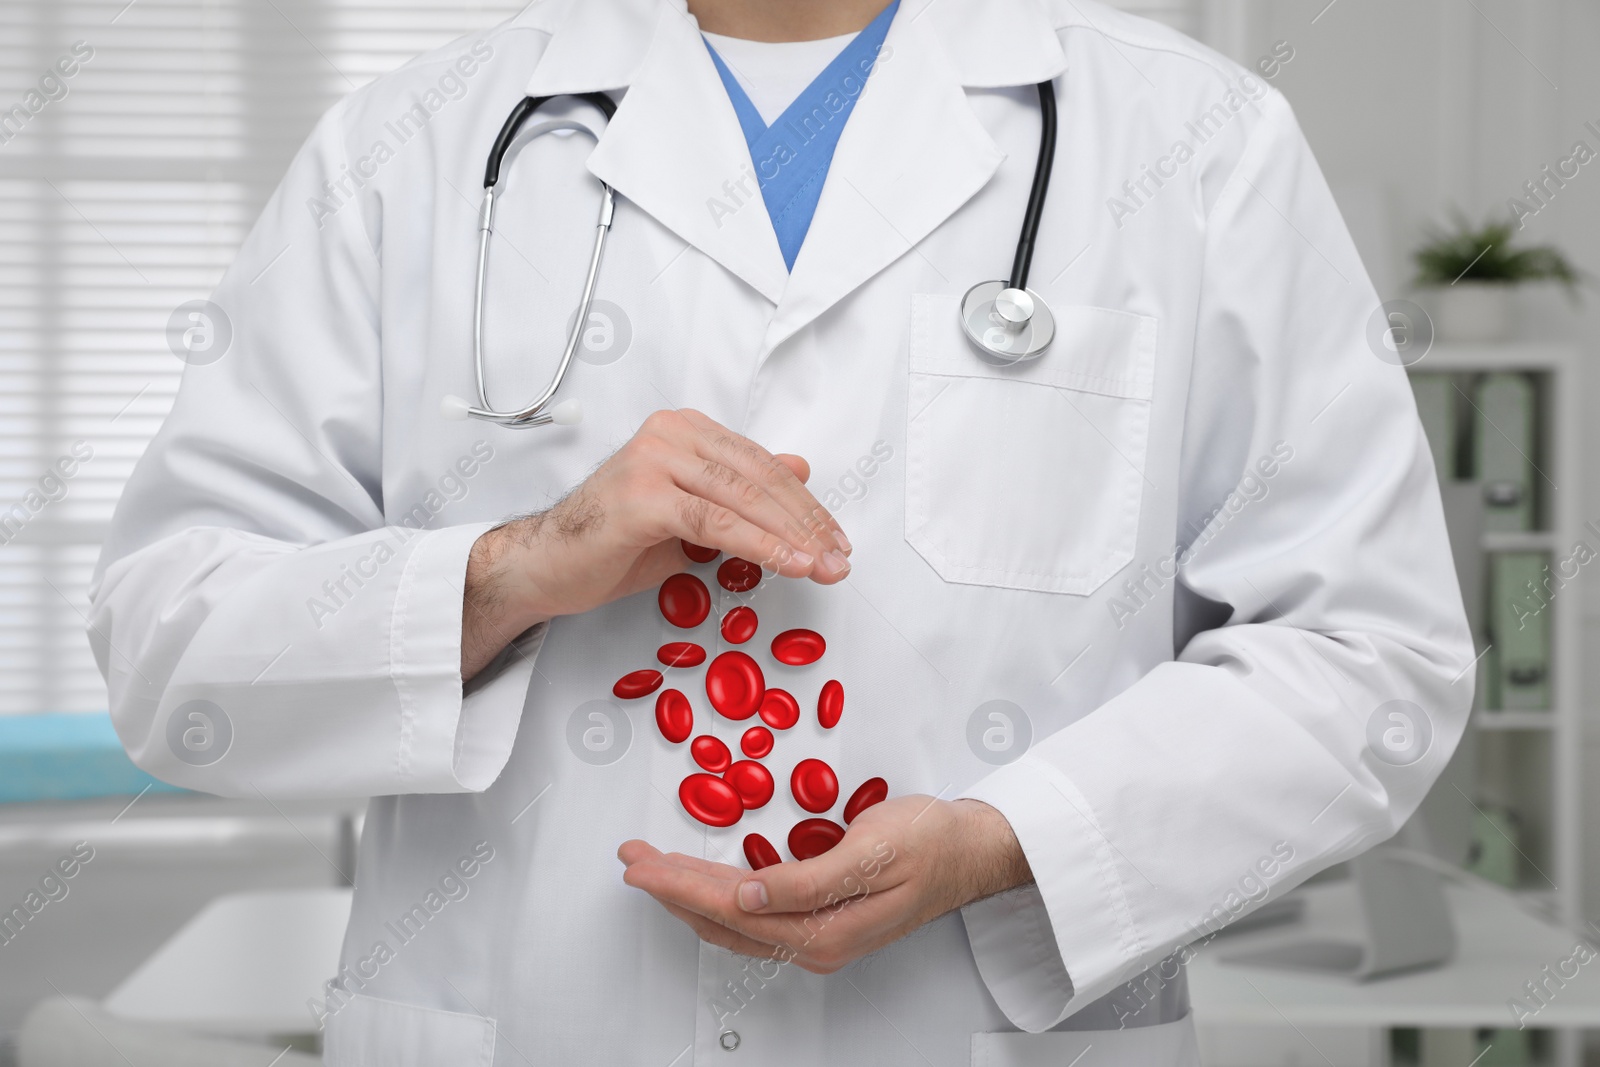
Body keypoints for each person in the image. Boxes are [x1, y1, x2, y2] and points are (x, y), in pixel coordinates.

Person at [89, 0, 1473, 1062]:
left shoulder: (1195, 143)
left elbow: (1367, 659)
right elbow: (171, 646)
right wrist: (509, 569)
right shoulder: (417, 149)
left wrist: (1007, 840)